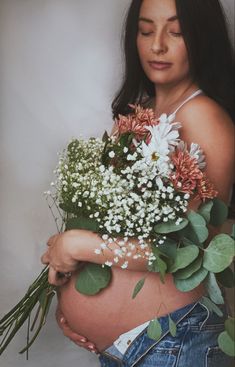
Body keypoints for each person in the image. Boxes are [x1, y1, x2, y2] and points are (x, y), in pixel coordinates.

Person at [41, 0, 235, 366]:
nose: (157, 45)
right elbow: (113, 231)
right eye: (146, 31)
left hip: (175, 342)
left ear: (202, 38)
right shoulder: (138, 114)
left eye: (176, 32)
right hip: (133, 346)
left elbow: (194, 250)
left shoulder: (204, 116)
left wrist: (79, 246)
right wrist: (69, 285)